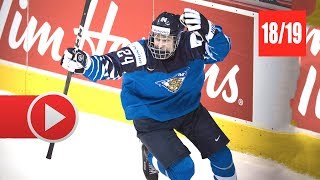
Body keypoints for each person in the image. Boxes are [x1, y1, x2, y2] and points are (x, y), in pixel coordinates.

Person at [61, 8, 236, 180]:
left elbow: (222, 50)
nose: (159, 45)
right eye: (156, 38)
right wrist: (85, 64)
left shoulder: (192, 44)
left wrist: (209, 29)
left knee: (224, 158)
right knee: (184, 171)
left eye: (166, 40)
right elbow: (110, 65)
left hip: (188, 109)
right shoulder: (140, 53)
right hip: (151, 118)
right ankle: (151, 155)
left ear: (179, 39)